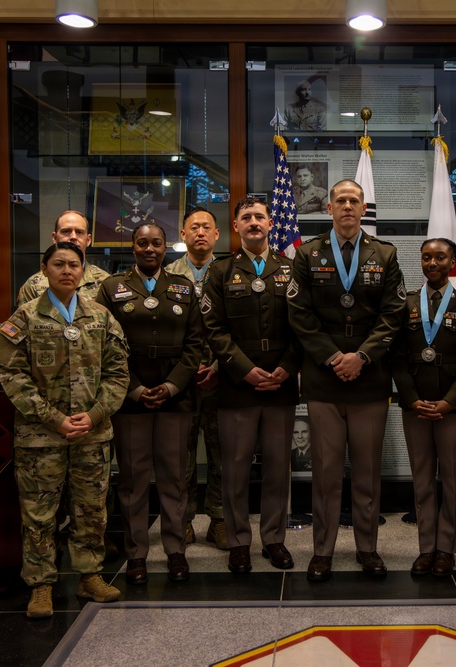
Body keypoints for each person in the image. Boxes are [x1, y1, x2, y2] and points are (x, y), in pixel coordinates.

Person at [0, 242, 129, 618]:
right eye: (59, 264)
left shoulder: (101, 317)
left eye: (74, 265)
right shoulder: (23, 318)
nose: (67, 270)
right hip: (41, 437)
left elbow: (118, 373)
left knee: (91, 510)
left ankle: (89, 576)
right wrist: (54, 418)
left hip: (92, 433)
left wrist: (95, 414)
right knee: (39, 514)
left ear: (83, 271)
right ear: (44, 269)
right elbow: (12, 375)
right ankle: (41, 584)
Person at [287, 178, 406, 582]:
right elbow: (299, 315)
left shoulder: (385, 255)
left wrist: (363, 356)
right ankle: (322, 551)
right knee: (325, 471)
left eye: (354, 200)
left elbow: (394, 314)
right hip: (324, 381)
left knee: (368, 471)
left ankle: (367, 549)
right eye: (341, 200)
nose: (348, 207)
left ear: (362, 208)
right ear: (330, 208)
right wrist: (336, 357)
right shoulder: (307, 254)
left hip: (369, 381)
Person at [96, 224, 204, 584]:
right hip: (130, 401)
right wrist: (136, 389)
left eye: (156, 243)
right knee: (133, 481)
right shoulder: (111, 289)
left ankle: (176, 551)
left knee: (175, 479)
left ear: (164, 248)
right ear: (133, 247)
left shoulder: (183, 287)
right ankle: (136, 554)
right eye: (142, 243)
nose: (149, 249)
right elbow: (105, 346)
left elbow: (196, 344)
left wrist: (172, 386)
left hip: (176, 399)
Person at [201, 197, 302, 573]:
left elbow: (302, 326)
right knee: (236, 468)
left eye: (260, 216)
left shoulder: (292, 270)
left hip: (281, 384)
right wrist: (244, 370)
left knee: (278, 467)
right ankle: (240, 541)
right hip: (236, 385)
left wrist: (286, 368)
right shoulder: (221, 271)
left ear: (271, 224)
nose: (254, 222)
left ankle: (274, 540)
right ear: (237, 226)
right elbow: (213, 327)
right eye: (247, 218)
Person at [393, 238, 456, 577]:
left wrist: (450, 402)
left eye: (440, 257)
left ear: (453, 261)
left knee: (452, 478)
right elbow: (397, 359)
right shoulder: (406, 304)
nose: (432, 263)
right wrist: (412, 397)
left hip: (453, 407)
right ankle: (425, 547)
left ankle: (446, 548)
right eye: (427, 257)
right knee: (422, 480)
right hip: (414, 405)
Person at [164, 207, 226, 549]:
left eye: (206, 227)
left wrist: (217, 367)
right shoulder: (166, 275)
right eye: (193, 227)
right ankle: (183, 520)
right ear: (183, 235)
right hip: (180, 382)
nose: (200, 232)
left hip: (221, 378)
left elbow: (235, 328)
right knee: (179, 455)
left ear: (217, 235)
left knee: (222, 453)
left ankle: (219, 519)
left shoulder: (229, 272)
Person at [17, 210, 111, 306]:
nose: (73, 237)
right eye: (66, 231)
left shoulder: (104, 282)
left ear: (88, 240)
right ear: (54, 238)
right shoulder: (34, 286)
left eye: (79, 232)